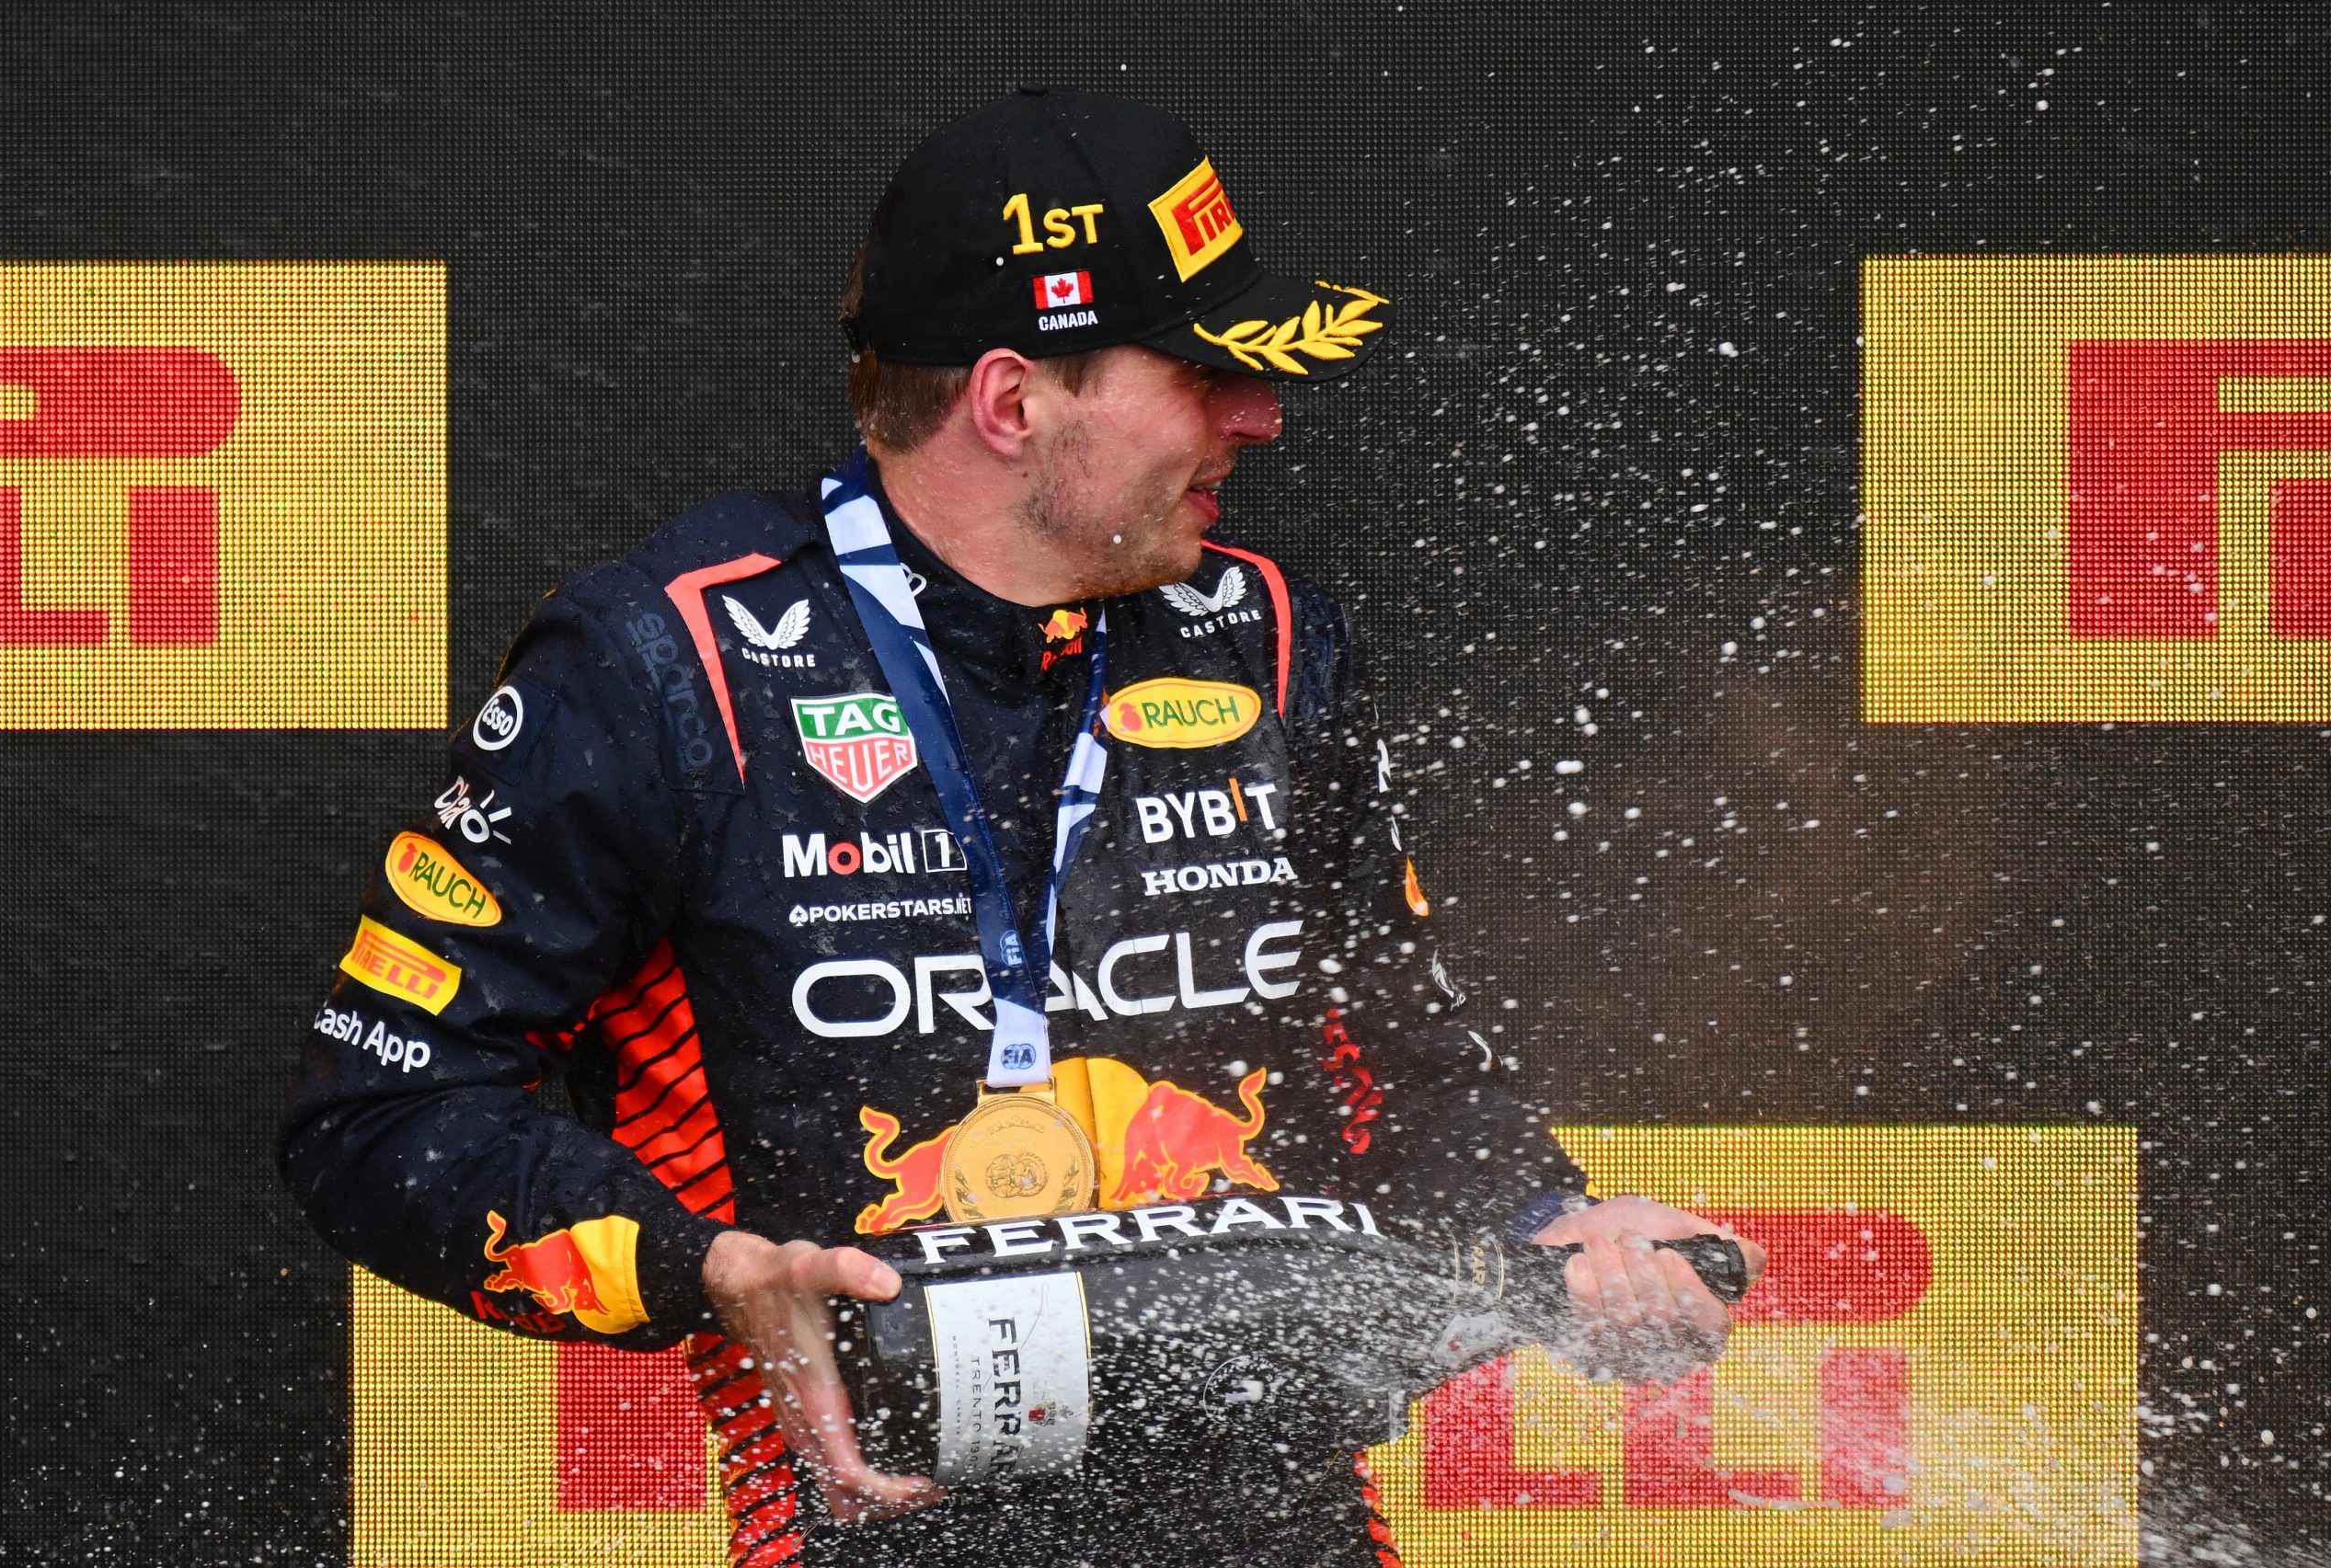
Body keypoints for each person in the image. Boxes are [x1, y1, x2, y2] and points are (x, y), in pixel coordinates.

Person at [281, 86, 1764, 1568]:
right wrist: (706, 1265)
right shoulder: (669, 663)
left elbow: (1400, 1062)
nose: (1260, 413)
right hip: (876, 1534)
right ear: (1012, 403)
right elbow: (382, 1110)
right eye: (1203, 373)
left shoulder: (1268, 639)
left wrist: (1556, 1223)